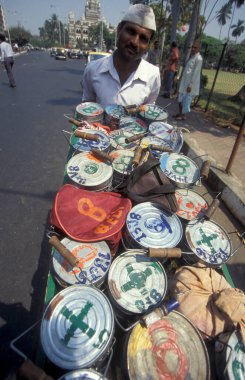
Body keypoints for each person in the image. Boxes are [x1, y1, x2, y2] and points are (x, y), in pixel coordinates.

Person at [82, 4, 161, 108]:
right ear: (119, 29)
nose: (135, 42)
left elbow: (148, 114)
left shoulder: (152, 75)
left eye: (143, 38)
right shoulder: (93, 70)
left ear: (148, 45)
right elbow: (86, 110)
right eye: (131, 32)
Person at [174, 40, 203, 120]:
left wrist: (190, 85)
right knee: (180, 99)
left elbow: (196, 73)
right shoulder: (192, 57)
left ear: (199, 49)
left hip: (189, 85)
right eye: (192, 47)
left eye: (195, 47)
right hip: (184, 82)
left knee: (185, 101)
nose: (193, 49)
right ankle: (180, 114)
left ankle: (183, 116)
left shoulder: (199, 59)